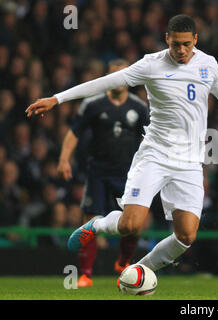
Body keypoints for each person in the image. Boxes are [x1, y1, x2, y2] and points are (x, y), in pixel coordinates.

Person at [26, 15, 218, 279]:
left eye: (187, 44)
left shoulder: (208, 64)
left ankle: (137, 271)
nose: (181, 50)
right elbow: (105, 82)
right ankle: (97, 224)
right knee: (130, 224)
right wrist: (58, 98)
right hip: (154, 155)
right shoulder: (151, 64)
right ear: (167, 39)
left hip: (189, 161)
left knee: (186, 235)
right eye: (175, 44)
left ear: (196, 40)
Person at [57, 59, 149, 287]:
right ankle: (86, 273)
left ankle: (123, 262)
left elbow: (148, 138)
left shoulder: (138, 107)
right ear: (107, 78)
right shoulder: (93, 104)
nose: (117, 80)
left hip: (128, 174)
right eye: (113, 75)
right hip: (98, 171)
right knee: (90, 221)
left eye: (122, 75)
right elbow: (74, 132)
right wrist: (64, 158)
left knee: (134, 223)